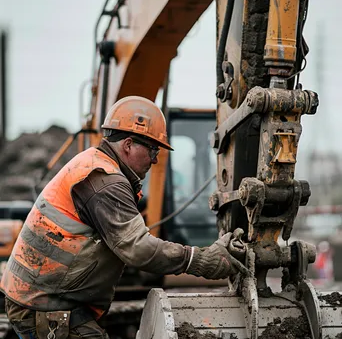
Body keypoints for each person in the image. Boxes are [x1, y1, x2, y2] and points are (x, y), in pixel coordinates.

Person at [0, 96, 246, 338]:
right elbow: (138, 249)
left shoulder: (95, 166)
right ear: (128, 145)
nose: (155, 158)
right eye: (152, 148)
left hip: (45, 298)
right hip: (44, 305)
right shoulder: (104, 180)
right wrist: (200, 260)